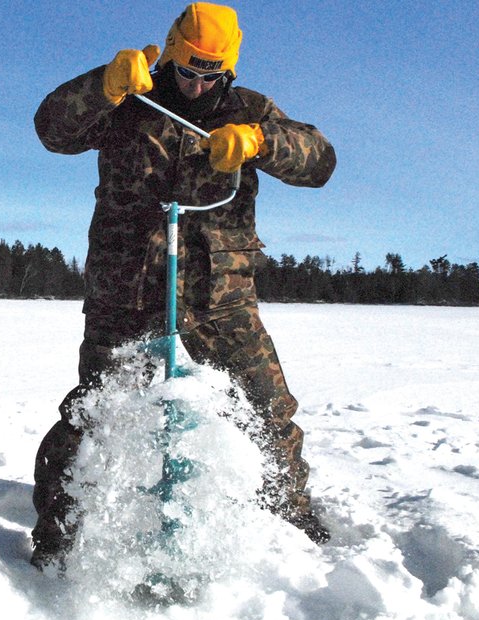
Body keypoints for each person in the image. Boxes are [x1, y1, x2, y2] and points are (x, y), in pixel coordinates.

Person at [30, 3, 337, 569]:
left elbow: (320, 161)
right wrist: (102, 85)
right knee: (94, 415)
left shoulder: (250, 110)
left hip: (220, 297)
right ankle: (58, 539)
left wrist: (260, 143)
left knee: (267, 412)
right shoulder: (130, 96)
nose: (196, 86)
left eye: (209, 75)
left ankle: (290, 521)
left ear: (228, 70)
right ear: (171, 53)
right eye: (188, 71)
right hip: (128, 292)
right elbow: (53, 129)